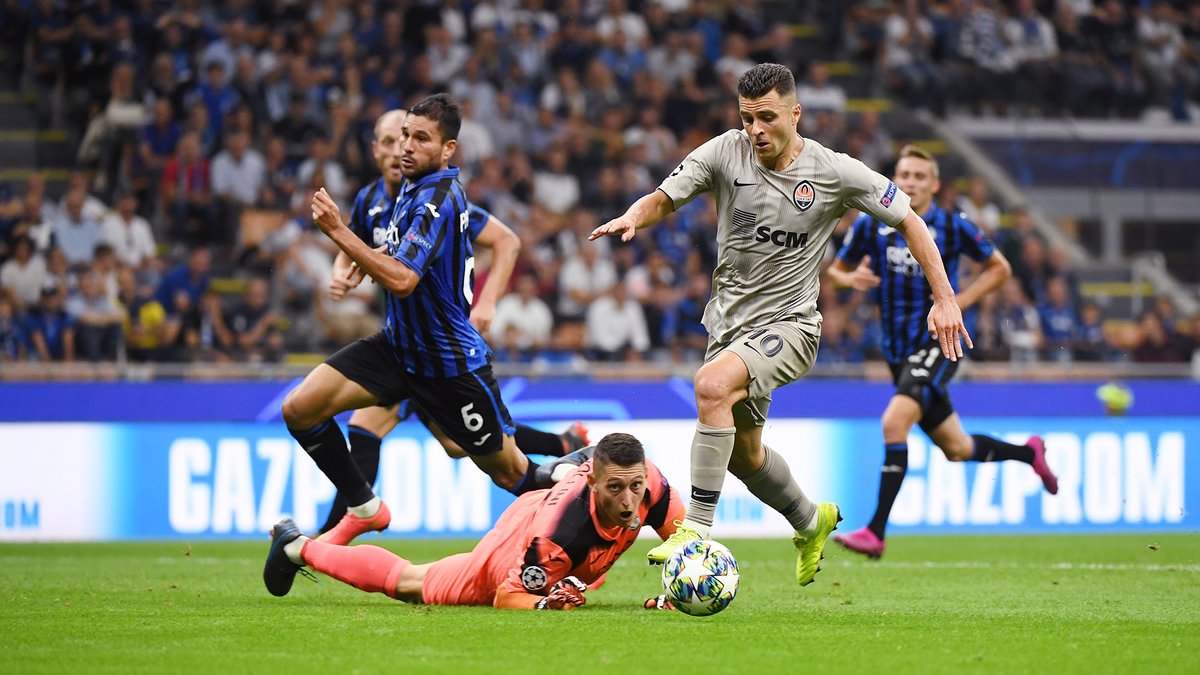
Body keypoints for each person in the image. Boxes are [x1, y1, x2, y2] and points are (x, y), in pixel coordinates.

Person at [589, 63, 970, 587]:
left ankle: (694, 530)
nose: (756, 129)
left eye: (767, 117)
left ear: (795, 114)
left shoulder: (835, 171)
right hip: (729, 328)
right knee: (745, 457)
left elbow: (910, 220)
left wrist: (944, 298)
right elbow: (663, 197)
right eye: (747, 118)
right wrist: (635, 216)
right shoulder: (724, 152)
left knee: (711, 386)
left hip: (792, 326)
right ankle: (811, 522)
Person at [283, 93, 553, 551]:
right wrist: (365, 257)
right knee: (300, 409)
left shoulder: (437, 197)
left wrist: (338, 232)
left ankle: (578, 487)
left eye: (420, 138)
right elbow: (406, 253)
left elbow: (405, 280)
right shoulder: (405, 189)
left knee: (511, 472)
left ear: (448, 149)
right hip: (399, 347)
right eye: (403, 136)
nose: (405, 146)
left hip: (448, 363)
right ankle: (363, 506)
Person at [826, 145, 1059, 560]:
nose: (911, 183)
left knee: (894, 422)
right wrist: (850, 279)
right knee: (957, 448)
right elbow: (835, 271)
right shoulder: (872, 223)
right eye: (904, 175)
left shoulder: (952, 225)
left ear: (934, 185)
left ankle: (875, 532)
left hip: (939, 340)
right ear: (894, 180)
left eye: (920, 176)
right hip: (897, 351)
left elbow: (1001, 268)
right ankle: (1029, 453)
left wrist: (956, 302)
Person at [263, 432, 684, 610]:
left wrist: (678, 595)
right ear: (593, 482)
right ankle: (297, 547)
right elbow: (507, 596)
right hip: (512, 550)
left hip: (543, 507)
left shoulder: (652, 484)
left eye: (635, 486)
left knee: (581, 574)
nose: (629, 501)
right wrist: (544, 603)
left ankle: (303, 544)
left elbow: (686, 543)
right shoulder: (558, 537)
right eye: (615, 488)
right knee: (411, 583)